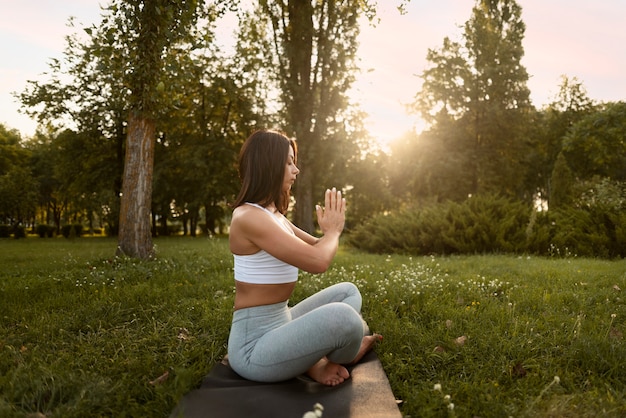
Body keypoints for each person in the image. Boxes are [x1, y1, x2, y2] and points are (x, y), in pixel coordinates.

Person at [227, 129, 381, 386]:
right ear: (268, 165)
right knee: (347, 320)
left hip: (282, 319)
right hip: (253, 348)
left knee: (347, 293)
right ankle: (328, 358)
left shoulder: (273, 215)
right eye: (288, 162)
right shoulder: (248, 217)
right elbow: (318, 262)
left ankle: (309, 359)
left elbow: (320, 246)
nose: (295, 170)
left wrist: (329, 233)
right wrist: (333, 231)